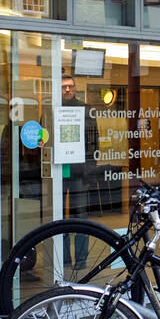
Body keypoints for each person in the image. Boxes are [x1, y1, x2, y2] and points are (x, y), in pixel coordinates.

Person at [60, 75, 101, 267]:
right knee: (59, 217)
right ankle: (65, 259)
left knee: (80, 216)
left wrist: (90, 169)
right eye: (63, 87)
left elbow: (94, 142)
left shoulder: (86, 110)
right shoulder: (53, 109)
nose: (67, 90)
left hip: (80, 171)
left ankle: (81, 260)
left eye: (70, 87)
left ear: (76, 89)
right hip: (59, 170)